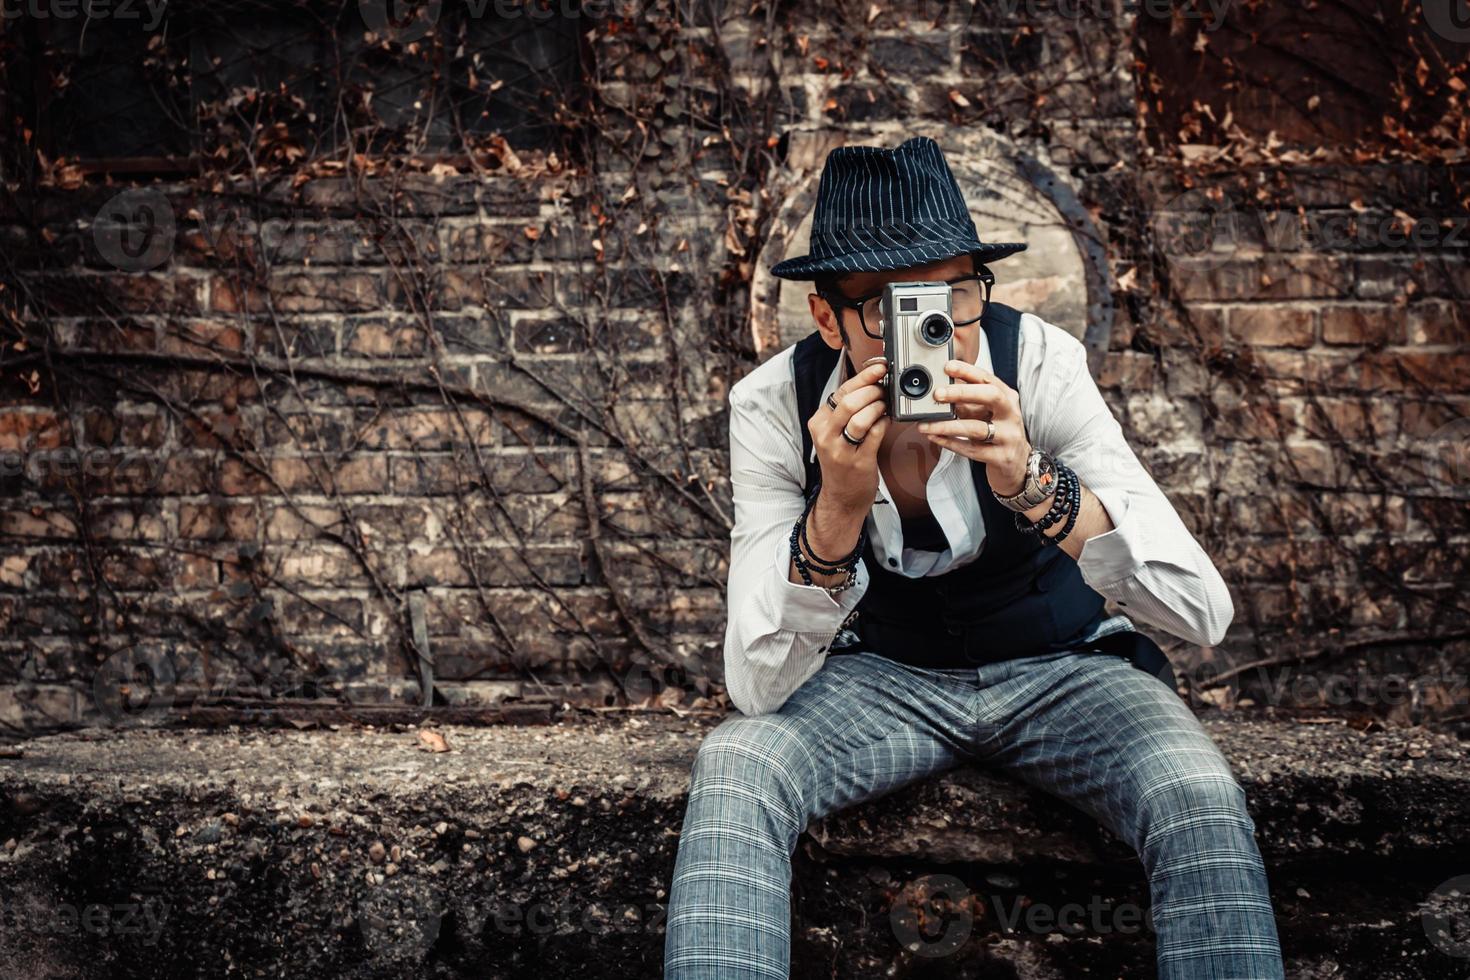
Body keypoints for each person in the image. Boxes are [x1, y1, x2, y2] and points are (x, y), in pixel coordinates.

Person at [662, 136, 1285, 979]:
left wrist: (1035, 483)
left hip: (1063, 671)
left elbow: (1201, 614)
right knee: (736, 767)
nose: (931, 330)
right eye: (887, 305)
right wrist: (837, 508)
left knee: (1197, 794)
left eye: (951, 293)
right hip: (882, 679)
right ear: (824, 315)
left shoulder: (1039, 361)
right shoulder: (773, 403)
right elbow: (759, 683)